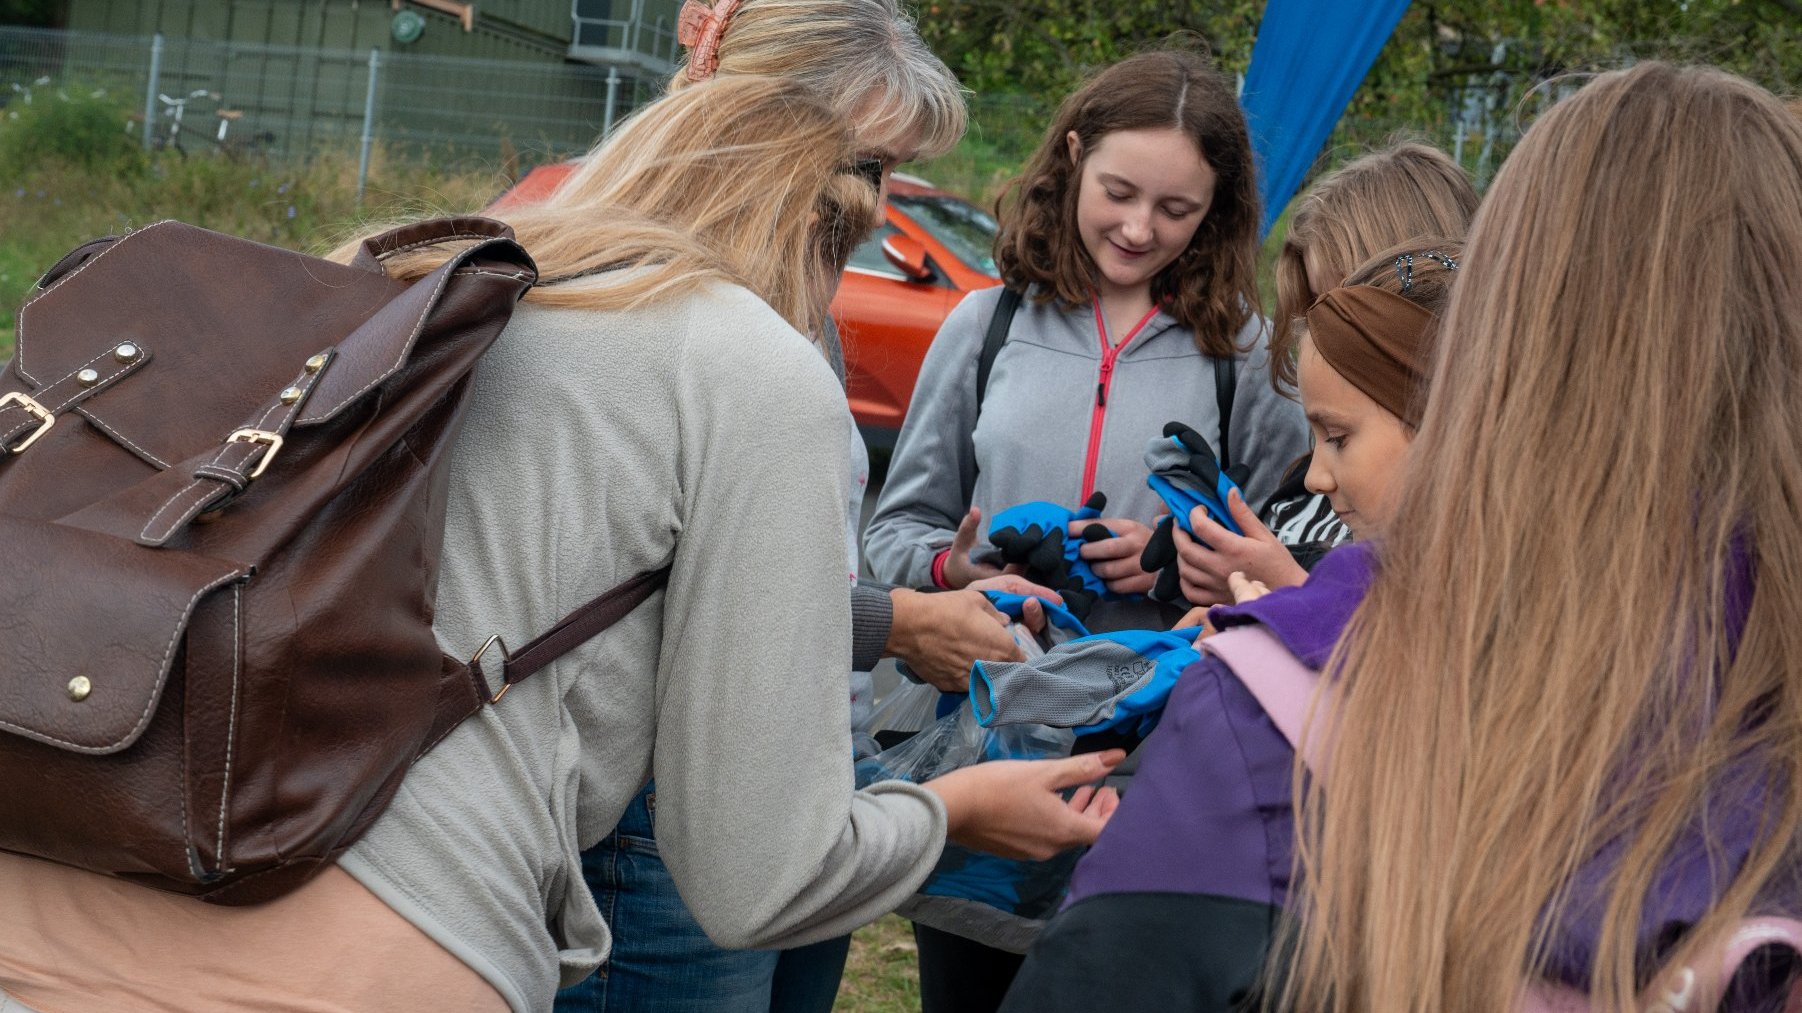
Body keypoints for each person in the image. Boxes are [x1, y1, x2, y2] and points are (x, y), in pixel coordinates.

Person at [0, 76, 1126, 1013]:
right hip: (361, 950)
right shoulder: (749, 366)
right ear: (845, 224)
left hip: (66, 865)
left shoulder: (402, 272)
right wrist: (958, 808)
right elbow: (757, 877)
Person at [1007, 61, 1802, 1012]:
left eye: (1339, 428)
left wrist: (1288, 619)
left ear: (1484, 341)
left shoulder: (1266, 713)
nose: (1315, 468)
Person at [555, 3, 1060, 1012]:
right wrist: (907, 641)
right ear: (757, 131)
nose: (871, 207)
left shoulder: (782, 299)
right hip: (664, 813)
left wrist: (905, 598)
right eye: (860, 166)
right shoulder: (678, 327)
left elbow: (736, 567)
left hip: (801, 769)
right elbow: (680, 613)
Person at [861, 46, 1309, 1012]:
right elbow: (892, 537)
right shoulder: (981, 327)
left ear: (1218, 213)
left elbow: (1295, 576)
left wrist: (1182, 569)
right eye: (1118, 192)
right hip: (988, 761)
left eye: (1178, 210)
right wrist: (961, 562)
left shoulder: (1245, 359)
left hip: (1155, 782)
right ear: (1071, 158)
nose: (1140, 228)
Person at [1167, 142, 1478, 602]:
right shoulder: (1314, 475)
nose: (1328, 335)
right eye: (1316, 308)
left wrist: (1288, 593)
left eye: (1348, 305)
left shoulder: (1464, 529)